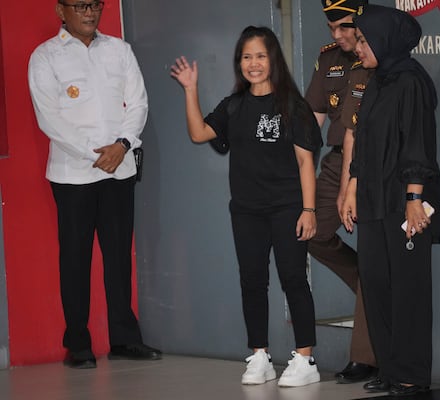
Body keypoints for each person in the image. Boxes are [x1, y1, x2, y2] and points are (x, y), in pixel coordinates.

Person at [170, 26, 323, 388]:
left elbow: (305, 163)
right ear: (239, 63)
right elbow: (198, 133)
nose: (253, 64)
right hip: (246, 211)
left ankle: (305, 359)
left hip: (288, 208)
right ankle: (260, 355)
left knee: (293, 279)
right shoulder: (234, 105)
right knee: (252, 282)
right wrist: (190, 89)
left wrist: (309, 210)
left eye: (260, 56)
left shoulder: (292, 106)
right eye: (246, 57)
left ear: (273, 60)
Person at [28, 0, 162, 369]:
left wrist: (121, 147)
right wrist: (95, 154)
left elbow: (138, 103)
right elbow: (49, 119)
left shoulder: (119, 50)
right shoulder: (45, 57)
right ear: (61, 11)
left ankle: (124, 339)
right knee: (75, 258)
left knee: (119, 256)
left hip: (119, 170)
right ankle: (79, 345)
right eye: (81, 5)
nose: (90, 12)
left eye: (96, 5)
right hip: (73, 175)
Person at [341, 4, 440, 396]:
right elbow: (363, 140)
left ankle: (412, 373)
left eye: (364, 41)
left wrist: (415, 197)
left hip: (404, 202)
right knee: (378, 284)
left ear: (385, 39)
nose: (358, 49)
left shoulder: (411, 82)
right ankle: (389, 366)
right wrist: (351, 187)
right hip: (371, 199)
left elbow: (418, 143)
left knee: (408, 288)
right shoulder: (377, 81)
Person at [304, 0, 377, 384]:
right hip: (335, 162)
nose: (337, 35)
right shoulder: (329, 59)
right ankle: (370, 283)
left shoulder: (378, 50)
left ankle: (366, 356)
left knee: (375, 249)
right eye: (331, 27)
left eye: (345, 26)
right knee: (309, 229)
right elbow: (309, 121)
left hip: (375, 164)